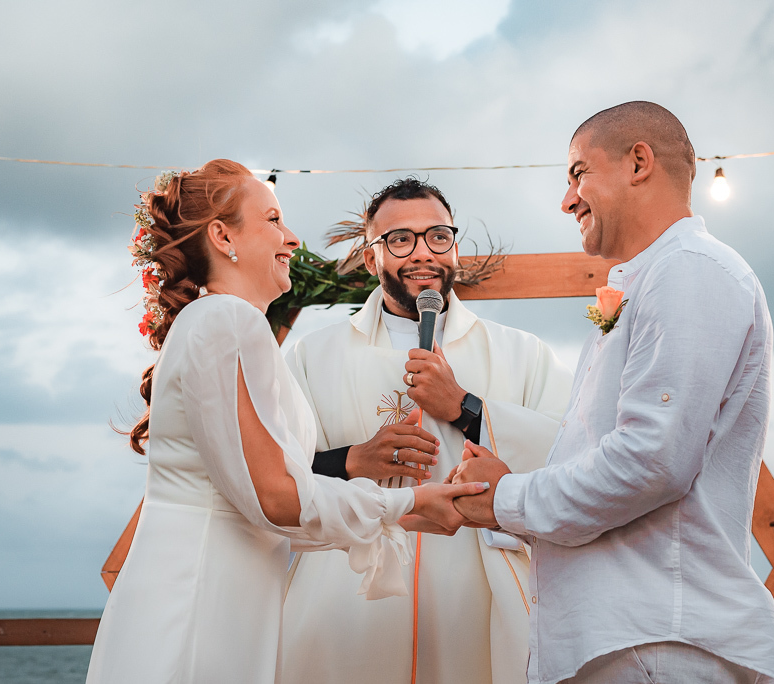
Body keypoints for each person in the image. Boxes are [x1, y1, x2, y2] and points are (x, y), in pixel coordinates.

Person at [85, 161, 488, 684]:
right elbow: (275, 498)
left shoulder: (217, 322)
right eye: (273, 220)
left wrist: (400, 517)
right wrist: (405, 502)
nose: (293, 239)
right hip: (201, 600)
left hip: (229, 592)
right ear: (223, 235)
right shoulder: (227, 320)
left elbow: (255, 506)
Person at [451, 102, 774, 684]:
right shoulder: (654, 277)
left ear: (638, 162)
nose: (567, 198)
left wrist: (507, 499)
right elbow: (621, 451)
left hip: (658, 638)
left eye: (578, 171)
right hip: (633, 636)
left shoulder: (689, 270)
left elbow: (653, 461)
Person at [279, 178, 574, 684]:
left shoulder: (519, 352)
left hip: (475, 591)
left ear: (454, 247)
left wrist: (465, 408)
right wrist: (352, 459)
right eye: (399, 239)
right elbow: (275, 466)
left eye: (438, 236)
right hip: (346, 595)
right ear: (372, 258)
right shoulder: (314, 355)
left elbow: (571, 453)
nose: (422, 253)